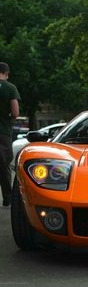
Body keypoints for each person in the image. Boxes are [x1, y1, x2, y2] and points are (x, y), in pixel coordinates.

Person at [0, 62, 21, 206]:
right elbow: (15, 112)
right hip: (3, 132)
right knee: (3, 165)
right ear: (6, 73)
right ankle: (7, 197)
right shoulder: (10, 88)